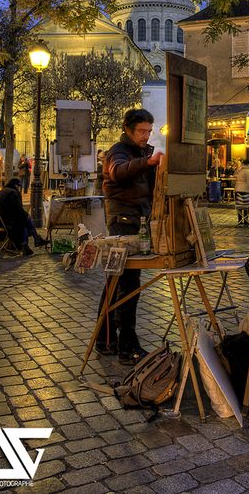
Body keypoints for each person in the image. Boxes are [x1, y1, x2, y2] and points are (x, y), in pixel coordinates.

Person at [96, 108, 163, 365]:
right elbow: (118, 172)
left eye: (148, 131)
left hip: (136, 222)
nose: (146, 136)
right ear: (128, 129)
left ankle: (106, 339)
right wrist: (147, 162)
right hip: (123, 226)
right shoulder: (118, 152)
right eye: (141, 131)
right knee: (125, 284)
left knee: (118, 282)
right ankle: (125, 345)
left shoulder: (139, 151)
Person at [0, 178, 47, 255]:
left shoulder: (0, 192)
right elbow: (18, 210)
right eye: (19, 186)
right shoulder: (13, 193)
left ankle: (32, 242)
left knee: (24, 219)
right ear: (16, 186)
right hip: (5, 223)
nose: (19, 188)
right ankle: (34, 240)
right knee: (25, 220)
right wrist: (26, 215)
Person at [234, 159, 249, 226]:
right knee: (246, 206)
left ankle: (240, 221)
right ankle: (246, 220)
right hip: (246, 193)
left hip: (238, 192)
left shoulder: (239, 171)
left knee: (240, 207)